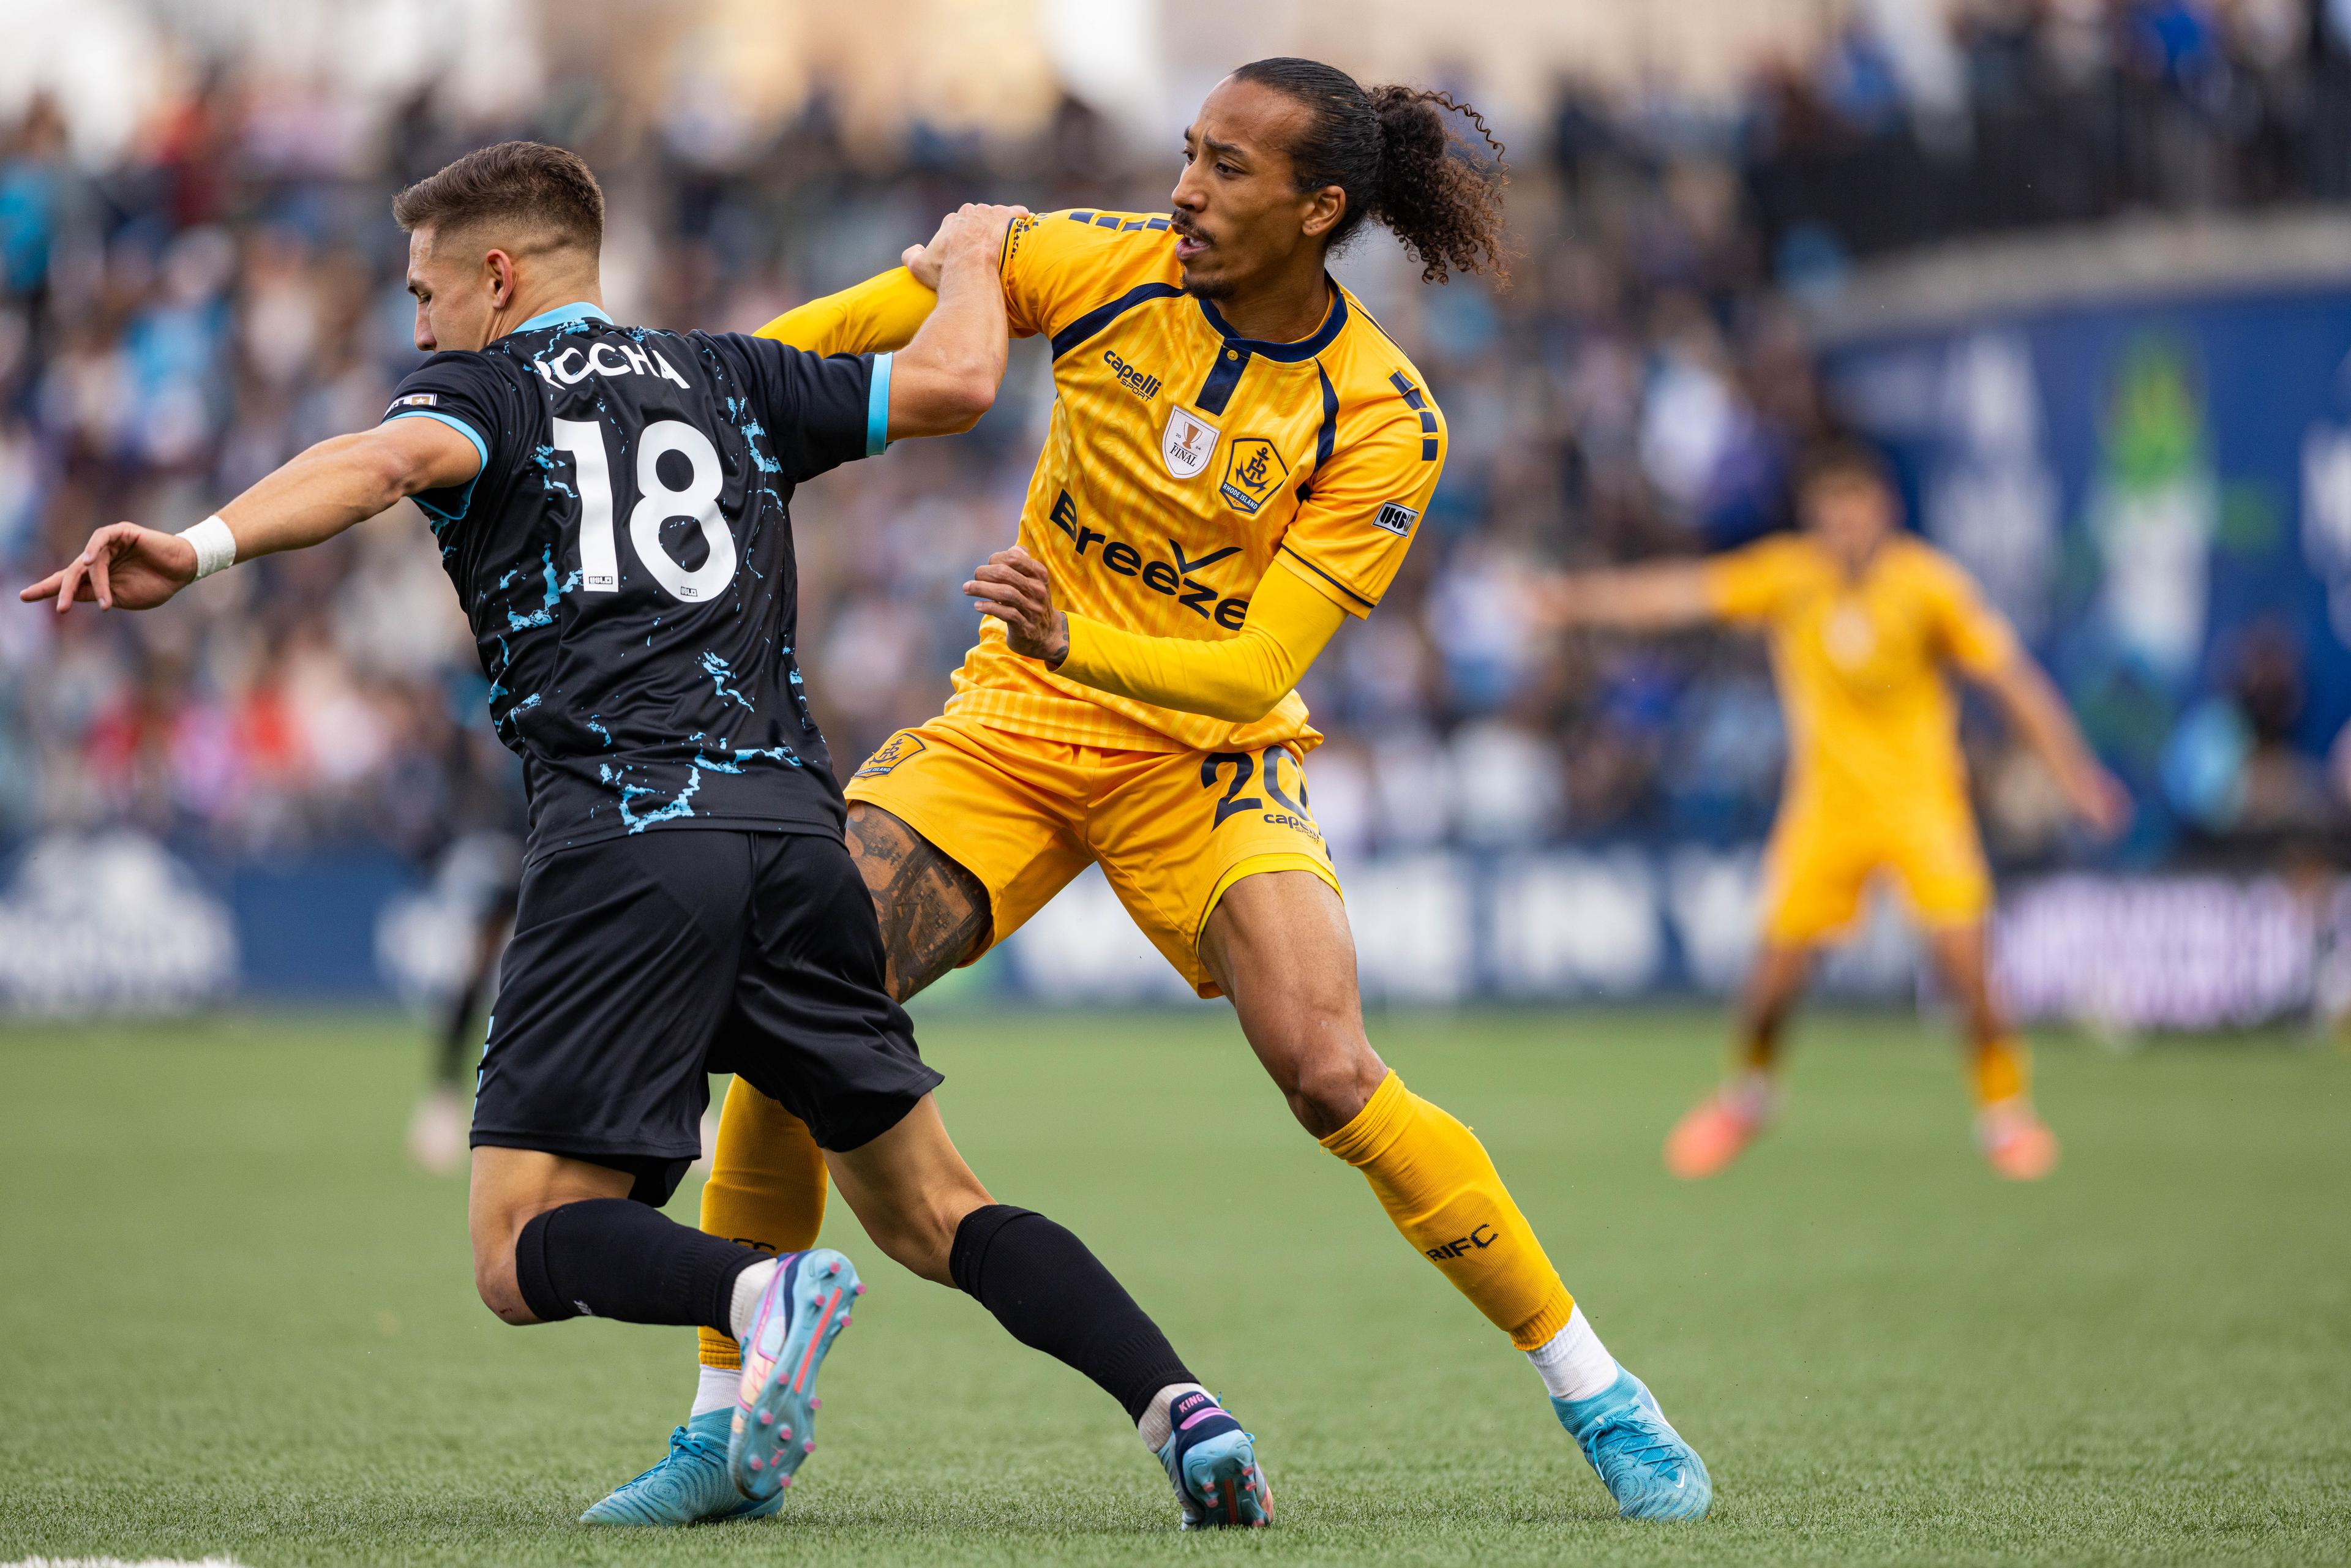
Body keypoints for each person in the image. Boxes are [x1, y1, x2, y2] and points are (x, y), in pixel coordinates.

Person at [21, 141, 1269, 1531]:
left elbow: (378, 462)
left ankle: (760, 1290)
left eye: (426, 292)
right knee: (936, 1209)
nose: (418, 325)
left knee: (516, 1247)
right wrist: (978, 258)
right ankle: (1182, 1409)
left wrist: (196, 548)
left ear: (500, 276)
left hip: (629, 842)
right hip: (799, 840)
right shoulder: (731, 374)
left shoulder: (485, 389)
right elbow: (958, 383)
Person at [608, 58, 1711, 1525]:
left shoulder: (1382, 415)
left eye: (1227, 167)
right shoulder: (1099, 264)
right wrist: (667, 389)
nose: (1185, 187)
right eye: (1190, 151)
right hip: (1012, 730)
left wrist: (1078, 636)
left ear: (1319, 208)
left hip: (1205, 756)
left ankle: (1599, 1390)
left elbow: (1257, 664)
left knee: (1329, 1069)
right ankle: (725, 1428)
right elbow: (835, 337)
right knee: (789, 1000)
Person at [1532, 440, 2131, 1180]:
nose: (1846, 526)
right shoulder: (1791, 577)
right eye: (1832, 512)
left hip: (1921, 806)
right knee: (1772, 983)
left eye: (1858, 510)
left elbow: (2012, 681)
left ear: (1887, 511)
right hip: (1827, 809)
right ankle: (1748, 1096)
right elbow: (1680, 593)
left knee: (1966, 965)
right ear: (1815, 516)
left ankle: (2006, 1112)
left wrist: (2076, 776)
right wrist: (1574, 601)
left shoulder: (1929, 586)